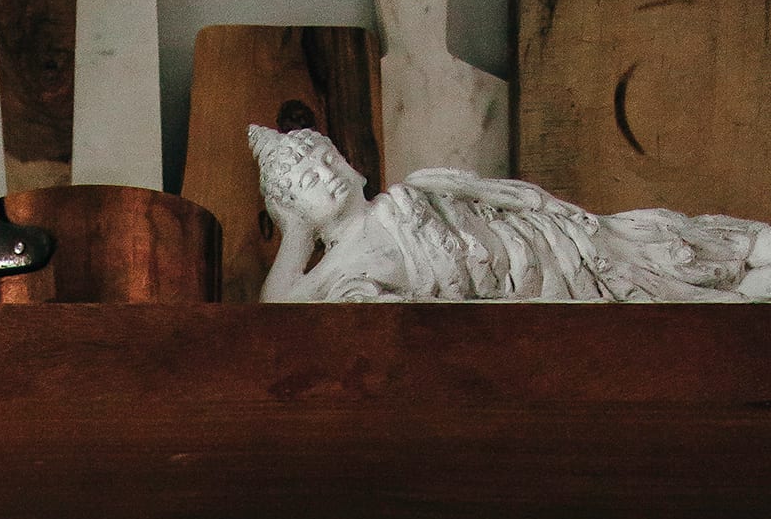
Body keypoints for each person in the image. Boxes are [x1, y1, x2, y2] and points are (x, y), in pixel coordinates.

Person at [250, 124, 771, 303]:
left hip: (560, 238)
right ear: (295, 206)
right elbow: (281, 308)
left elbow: (504, 195)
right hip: (540, 288)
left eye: (328, 158)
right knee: (686, 292)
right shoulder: (343, 269)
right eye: (308, 180)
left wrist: (560, 212)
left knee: (675, 245)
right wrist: (295, 230)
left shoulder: (414, 188)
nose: (328, 173)